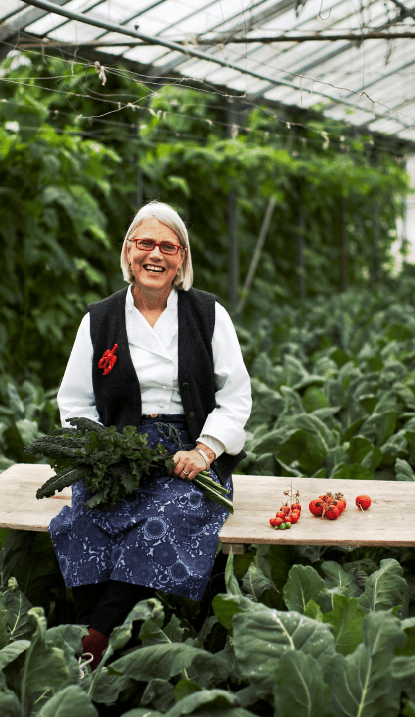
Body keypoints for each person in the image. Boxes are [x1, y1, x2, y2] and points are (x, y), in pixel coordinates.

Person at [49, 201, 251, 668]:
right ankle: (102, 637)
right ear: (127, 252)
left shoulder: (208, 314)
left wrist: (206, 449)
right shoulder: (98, 320)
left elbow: (236, 396)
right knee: (85, 515)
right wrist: (101, 453)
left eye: (168, 246)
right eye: (145, 243)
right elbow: (75, 401)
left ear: (182, 259)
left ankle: (93, 643)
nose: (155, 254)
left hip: (189, 454)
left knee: (170, 514)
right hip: (119, 448)